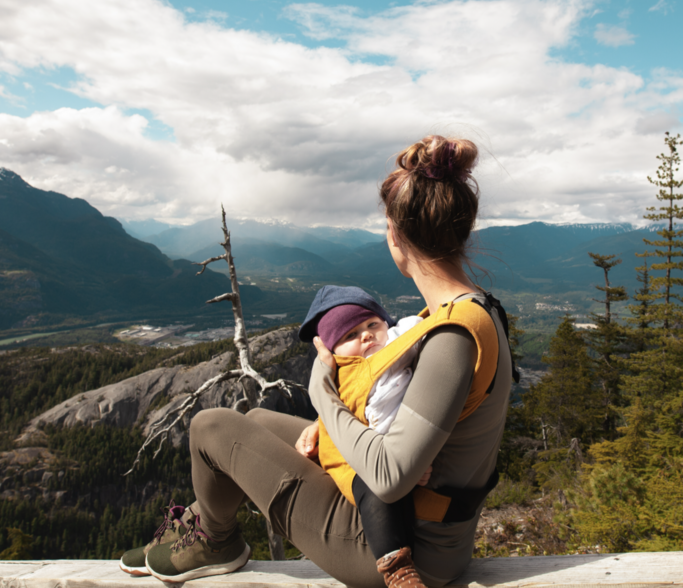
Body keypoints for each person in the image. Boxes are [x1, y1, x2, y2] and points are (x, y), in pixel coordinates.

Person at [119, 134, 513, 588]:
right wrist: (332, 428)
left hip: (403, 550)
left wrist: (323, 392)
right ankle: (198, 528)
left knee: (211, 426)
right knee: (260, 422)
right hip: (423, 526)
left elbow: (387, 477)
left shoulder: (451, 337)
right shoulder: (472, 311)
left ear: (395, 235)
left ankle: (216, 539)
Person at [296, 285, 429, 585]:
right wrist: (320, 421)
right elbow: (344, 411)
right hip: (354, 458)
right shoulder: (345, 374)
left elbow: (420, 327)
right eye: (350, 335)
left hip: (401, 448)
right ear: (333, 351)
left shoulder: (400, 344)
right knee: (376, 492)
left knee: (396, 491)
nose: (366, 335)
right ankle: (397, 569)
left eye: (372, 325)